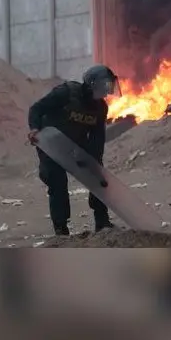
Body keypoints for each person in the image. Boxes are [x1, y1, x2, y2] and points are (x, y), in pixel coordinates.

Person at [28, 64, 120, 236]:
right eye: (104, 87)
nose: (106, 92)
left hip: (76, 144)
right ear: (92, 84)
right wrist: (34, 129)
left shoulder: (101, 108)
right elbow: (36, 109)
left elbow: (97, 139)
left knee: (98, 178)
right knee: (57, 181)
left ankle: (102, 221)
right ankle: (61, 229)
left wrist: (95, 165)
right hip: (51, 143)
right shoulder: (66, 93)